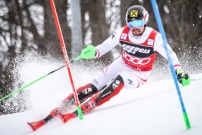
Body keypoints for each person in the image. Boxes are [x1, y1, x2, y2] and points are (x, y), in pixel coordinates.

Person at [28, 5, 191, 130]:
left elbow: (171, 55)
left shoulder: (154, 37)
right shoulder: (123, 32)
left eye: (138, 22)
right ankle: (61, 107)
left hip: (139, 74)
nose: (134, 26)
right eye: (131, 22)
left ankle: (91, 104)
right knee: (93, 86)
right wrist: (92, 52)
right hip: (122, 63)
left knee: (119, 79)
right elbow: (104, 47)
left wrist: (178, 72)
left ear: (145, 21)